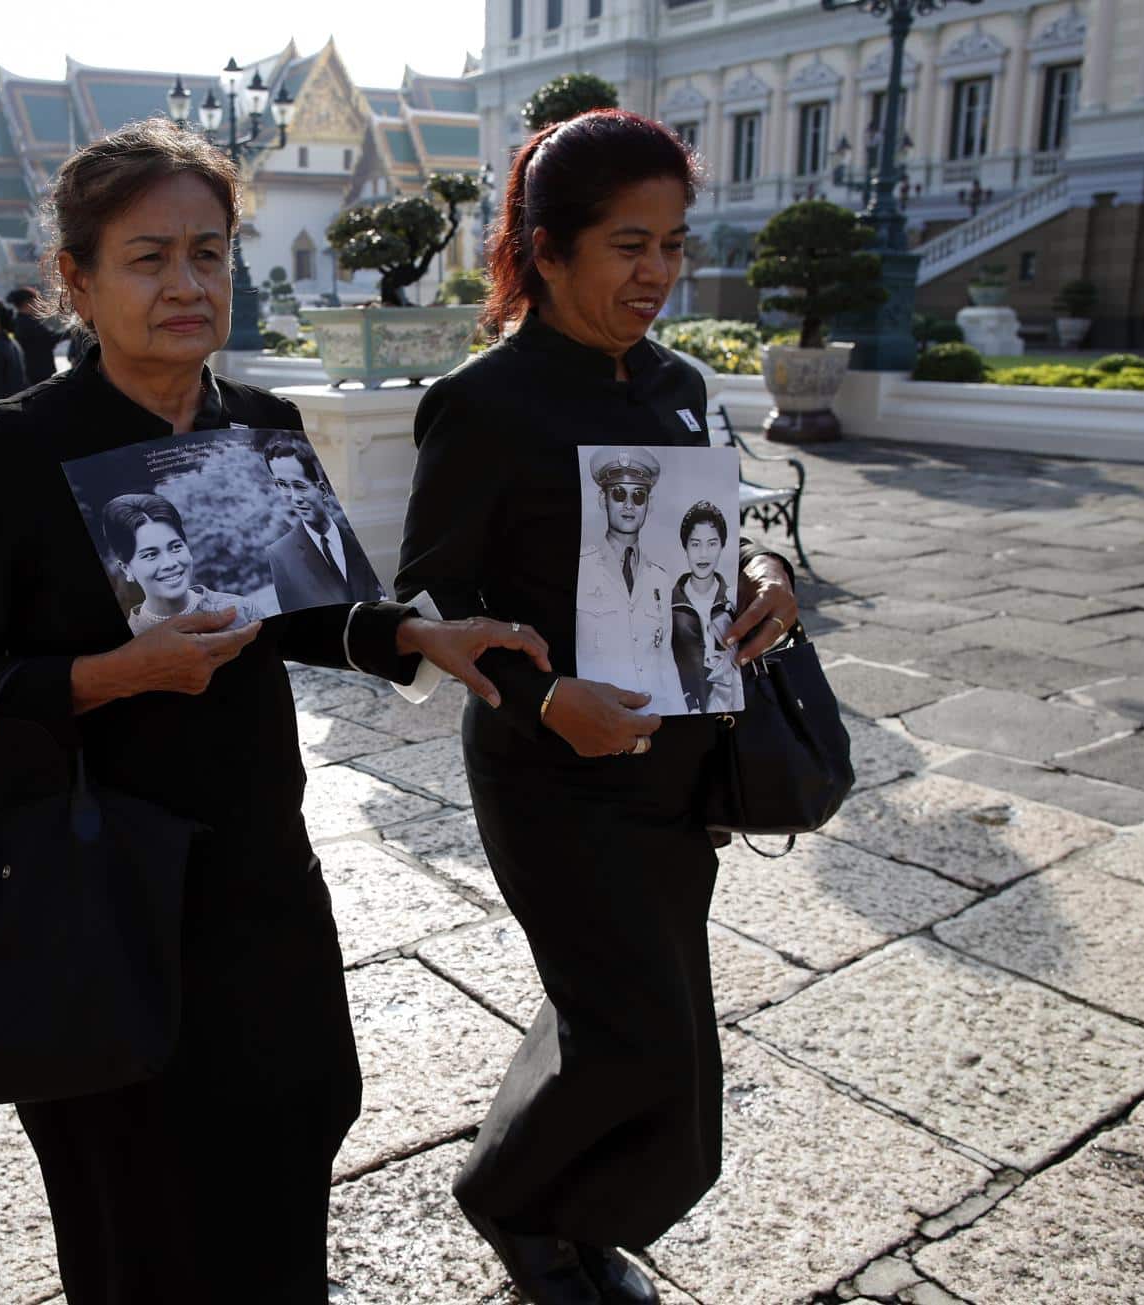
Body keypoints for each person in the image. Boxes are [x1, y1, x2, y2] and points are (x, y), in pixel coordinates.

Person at [0, 118, 549, 1305]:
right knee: (133, 1188)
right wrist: (113, 674)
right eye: (148, 258)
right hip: (93, 880)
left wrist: (417, 632)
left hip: (255, 864)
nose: (188, 284)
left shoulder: (261, 426)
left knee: (295, 1122)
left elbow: (308, 610)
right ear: (78, 281)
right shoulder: (4, 451)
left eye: (210, 252)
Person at [394, 110, 800, 1305]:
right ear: (549, 248)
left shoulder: (679, 384)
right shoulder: (486, 400)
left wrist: (769, 578)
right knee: (637, 1030)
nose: (660, 274)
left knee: (642, 1012)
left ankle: (569, 1211)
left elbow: (740, 529)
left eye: (673, 243)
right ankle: (515, 1206)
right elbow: (431, 589)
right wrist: (543, 696)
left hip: (678, 763)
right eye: (630, 245)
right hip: (552, 770)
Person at [574, 446, 676, 709]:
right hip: (595, 712)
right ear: (602, 500)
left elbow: (665, 658)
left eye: (639, 496)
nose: (629, 505)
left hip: (654, 712)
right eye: (619, 494)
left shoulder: (660, 579)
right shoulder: (580, 569)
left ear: (648, 506)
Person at [102, 492, 258, 635]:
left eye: (176, 547)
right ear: (126, 568)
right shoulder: (131, 642)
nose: (170, 563)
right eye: (150, 555)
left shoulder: (242, 611)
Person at [261, 433, 381, 609]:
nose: (295, 498)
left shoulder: (359, 537)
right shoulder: (280, 556)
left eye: (300, 486)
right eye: (283, 485)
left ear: (323, 490)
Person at [668, 500, 738, 714]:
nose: (703, 554)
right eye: (695, 544)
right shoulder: (668, 603)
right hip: (683, 710)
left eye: (712, 543)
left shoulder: (733, 599)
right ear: (685, 546)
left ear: (723, 545)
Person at [6, 285, 65, 384]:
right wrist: (71, 331)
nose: (39, 304)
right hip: (37, 372)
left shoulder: (19, 321)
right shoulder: (27, 323)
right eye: (36, 301)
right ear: (27, 303)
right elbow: (50, 339)